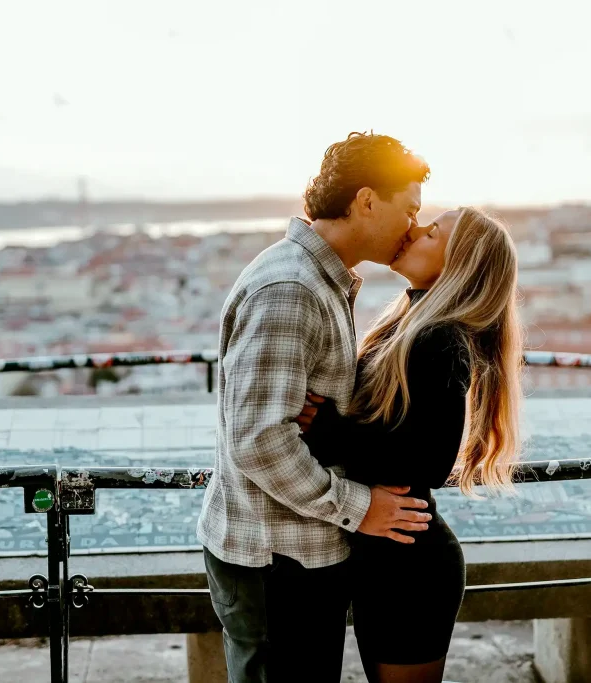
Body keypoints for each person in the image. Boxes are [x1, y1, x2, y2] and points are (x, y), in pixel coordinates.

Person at [197, 132, 436, 682]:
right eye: (409, 210)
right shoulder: (291, 287)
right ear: (368, 200)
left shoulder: (317, 280)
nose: (413, 227)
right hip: (277, 560)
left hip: (291, 552)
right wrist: (358, 506)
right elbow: (259, 441)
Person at [296, 207, 524, 683]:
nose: (412, 231)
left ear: (456, 262)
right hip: (389, 553)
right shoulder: (412, 320)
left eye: (430, 233)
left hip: (410, 566)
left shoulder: (441, 339)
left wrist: (328, 430)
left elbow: (431, 461)